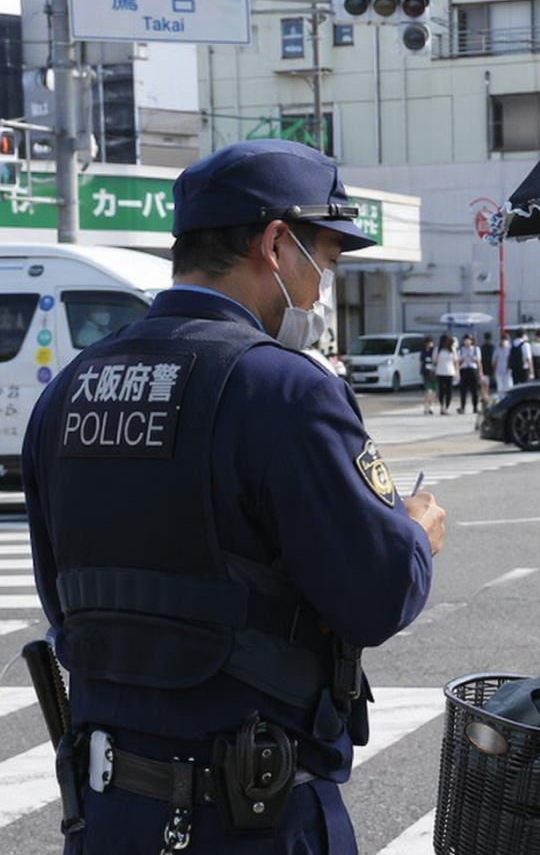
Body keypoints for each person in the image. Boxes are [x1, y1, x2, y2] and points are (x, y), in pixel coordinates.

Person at [21, 139, 447, 854]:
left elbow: (61, 596)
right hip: (251, 816)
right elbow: (377, 595)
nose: (319, 291)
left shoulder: (70, 389)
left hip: (108, 813)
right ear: (276, 244)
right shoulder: (284, 390)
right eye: (324, 262)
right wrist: (413, 535)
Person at [457, 333, 481, 414]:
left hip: (472, 370)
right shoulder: (461, 350)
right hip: (464, 370)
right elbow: (457, 362)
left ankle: (475, 407)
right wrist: (462, 359)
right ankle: (462, 407)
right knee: (463, 390)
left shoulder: (476, 349)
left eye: (469, 340)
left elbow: (479, 361)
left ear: (471, 341)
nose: (467, 342)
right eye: (465, 340)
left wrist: (480, 372)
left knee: (474, 390)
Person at [434, 333, 458, 414]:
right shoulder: (437, 349)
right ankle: (442, 406)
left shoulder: (452, 349)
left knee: (449, 391)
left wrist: (457, 372)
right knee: (441, 391)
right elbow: (434, 361)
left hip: (450, 372)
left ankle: (446, 407)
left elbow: (455, 361)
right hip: (440, 372)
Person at [420, 334, 437, 414]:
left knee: (434, 390)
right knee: (428, 390)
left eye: (431, 343)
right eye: (428, 343)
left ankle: (431, 405)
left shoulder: (434, 351)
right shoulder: (423, 352)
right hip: (426, 372)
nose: (430, 344)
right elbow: (421, 362)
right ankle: (426, 406)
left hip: (434, 372)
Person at [479, 331, 495, 402]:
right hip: (489, 367)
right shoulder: (492, 347)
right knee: (486, 382)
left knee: (484, 382)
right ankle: (485, 396)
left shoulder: (482, 347)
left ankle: (484, 395)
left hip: (483, 366)